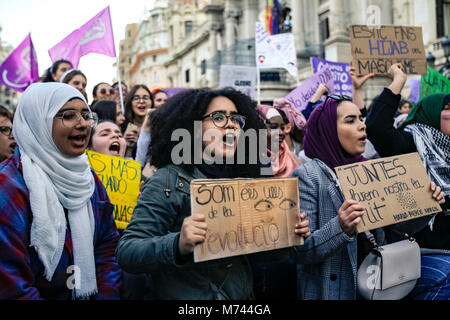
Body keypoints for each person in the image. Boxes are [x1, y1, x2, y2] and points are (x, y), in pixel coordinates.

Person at [116, 88, 310, 299]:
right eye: (218, 117)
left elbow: (257, 255)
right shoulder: (168, 180)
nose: (230, 124)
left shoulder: (244, 184)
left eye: (236, 119)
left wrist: (286, 237)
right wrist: (177, 244)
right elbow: (128, 251)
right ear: (194, 127)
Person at [291, 93, 445, 300]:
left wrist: (426, 206)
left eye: (361, 119)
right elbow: (302, 252)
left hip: (381, 281)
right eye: (350, 120)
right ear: (327, 129)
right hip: (338, 290)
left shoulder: (371, 169)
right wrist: (341, 227)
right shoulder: (308, 176)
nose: (362, 126)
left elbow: (396, 229)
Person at [0, 83, 121, 299]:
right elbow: (12, 286)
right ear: (39, 123)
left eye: (85, 114)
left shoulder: (88, 177)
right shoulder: (8, 187)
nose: (82, 123)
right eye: (68, 115)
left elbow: (107, 248)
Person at [365, 63, 450, 300]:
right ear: (432, 113)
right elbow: (375, 127)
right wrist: (398, 82)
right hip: (420, 257)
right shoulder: (410, 143)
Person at [258, 105, 300, 177]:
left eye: (282, 127)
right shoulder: (249, 162)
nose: (281, 132)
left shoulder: (290, 157)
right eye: (274, 127)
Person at [121, 85, 154, 160]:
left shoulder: (159, 126)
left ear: (151, 102)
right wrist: (124, 143)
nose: (141, 101)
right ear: (130, 102)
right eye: (136, 98)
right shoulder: (122, 125)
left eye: (145, 98)